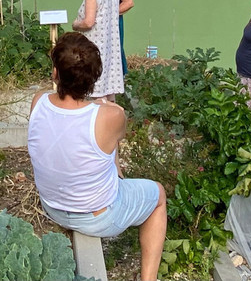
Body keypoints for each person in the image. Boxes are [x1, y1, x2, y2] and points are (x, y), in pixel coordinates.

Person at [28, 32, 166, 281]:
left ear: (56, 73)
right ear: (94, 77)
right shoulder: (109, 116)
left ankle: (116, 179)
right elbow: (119, 135)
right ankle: (149, 279)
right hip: (97, 217)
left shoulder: (38, 101)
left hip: (52, 206)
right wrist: (110, 108)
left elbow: (68, 121)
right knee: (159, 196)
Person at [72, 0, 124, 101]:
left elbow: (89, 22)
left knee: (95, 87)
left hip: (94, 45)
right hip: (110, 45)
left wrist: (76, 25)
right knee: (109, 85)